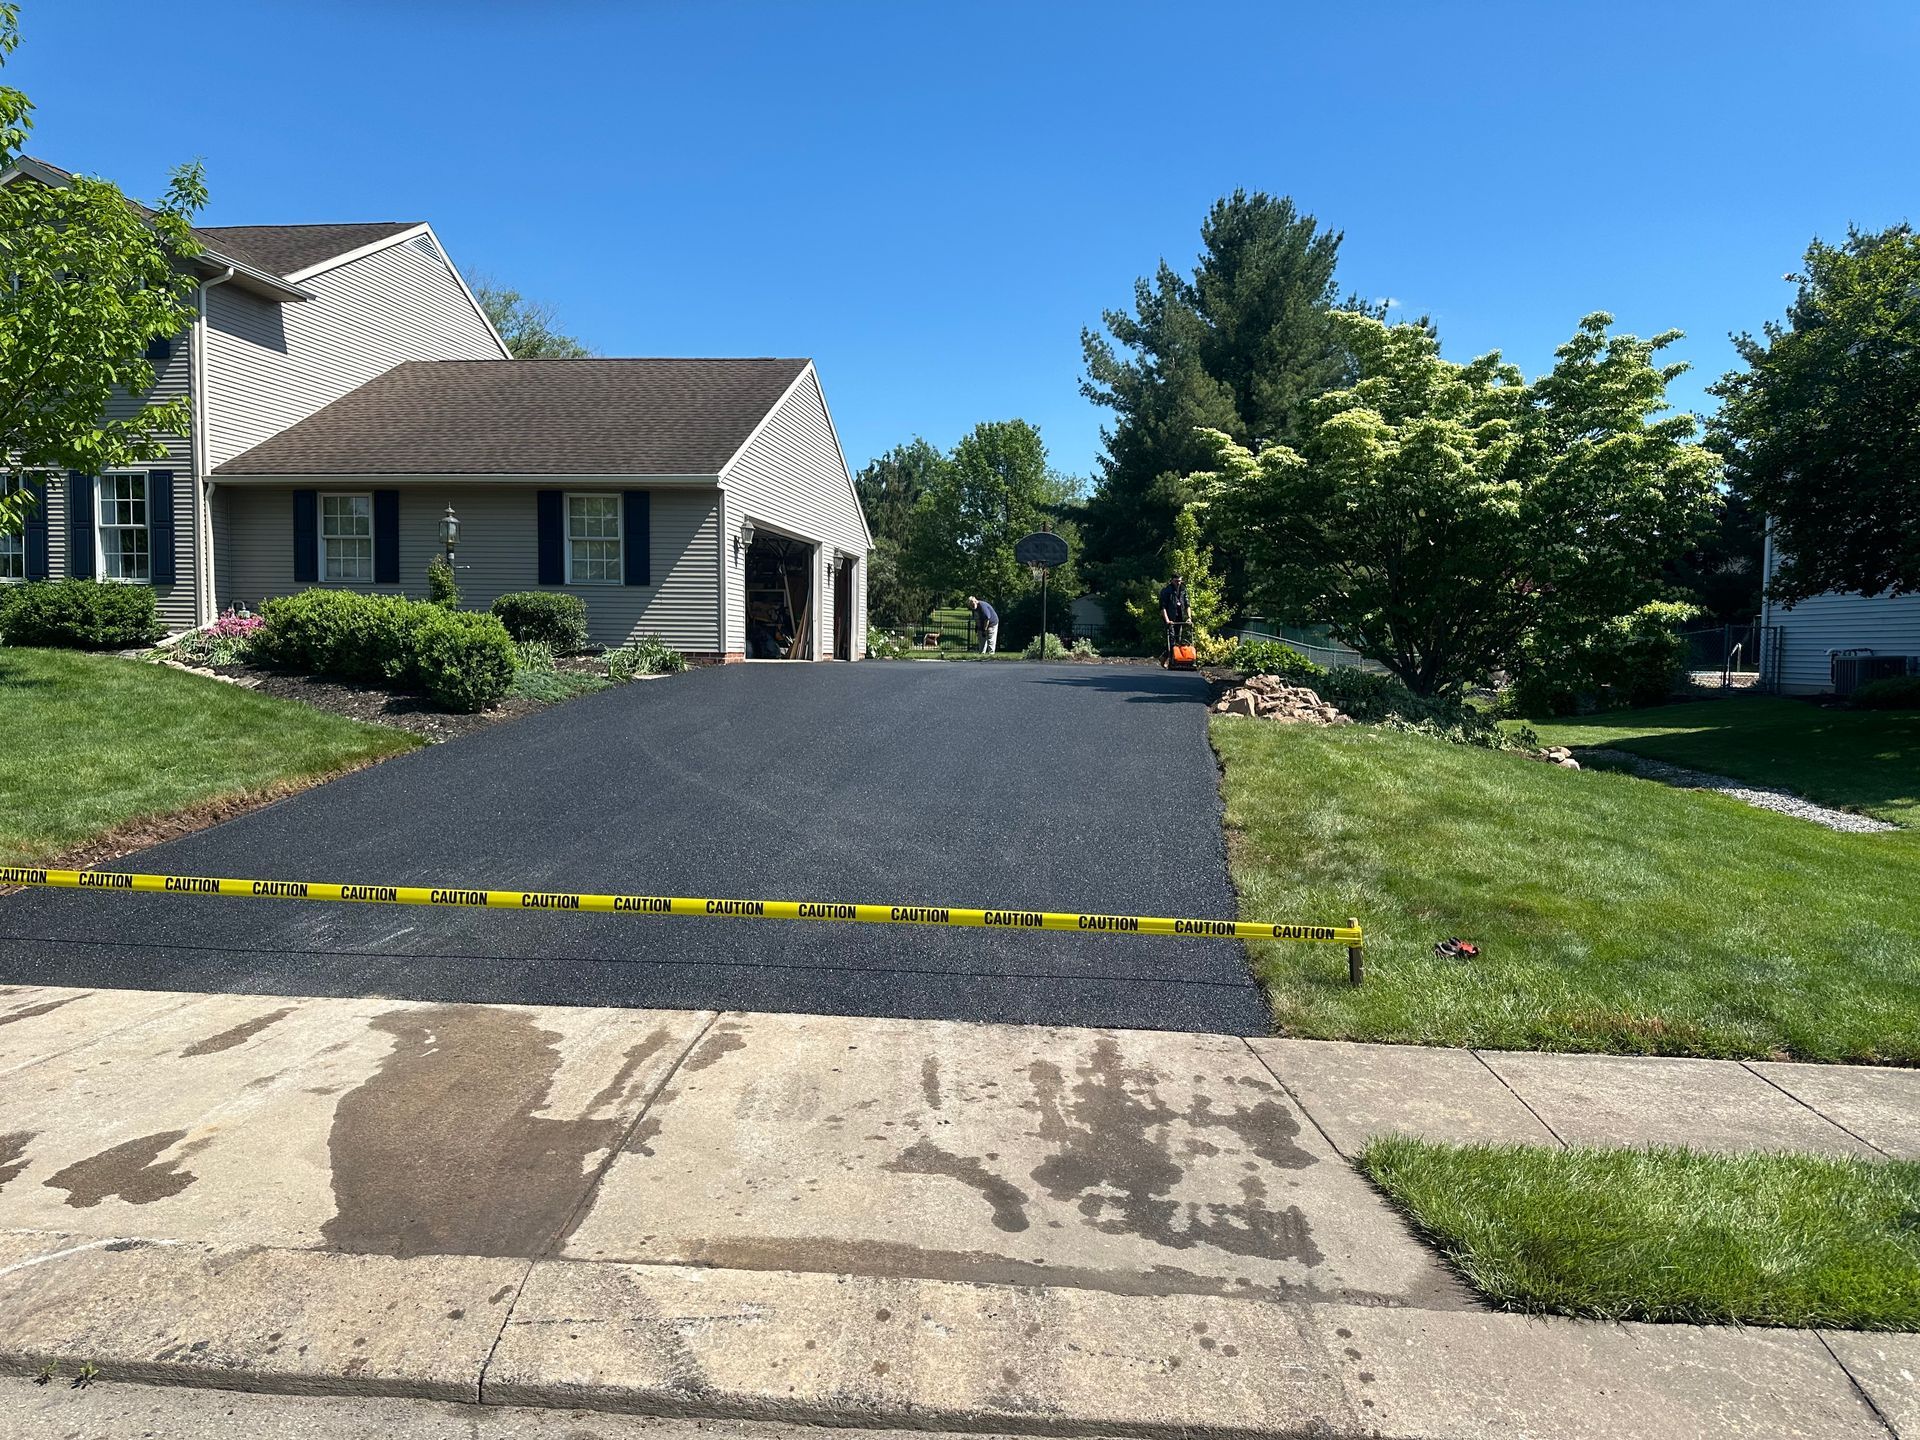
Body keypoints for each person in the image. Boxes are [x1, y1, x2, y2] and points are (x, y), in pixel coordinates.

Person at [1158, 573, 1191, 665]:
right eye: (1176, 581)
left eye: (1180, 581)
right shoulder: (1166, 591)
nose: (1178, 583)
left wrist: (1189, 617)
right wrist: (1167, 620)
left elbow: (1187, 605)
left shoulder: (1183, 590)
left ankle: (1165, 658)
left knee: (1178, 640)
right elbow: (1163, 607)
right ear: (1172, 580)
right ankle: (1172, 661)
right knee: (1172, 640)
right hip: (1170, 618)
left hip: (1180, 618)